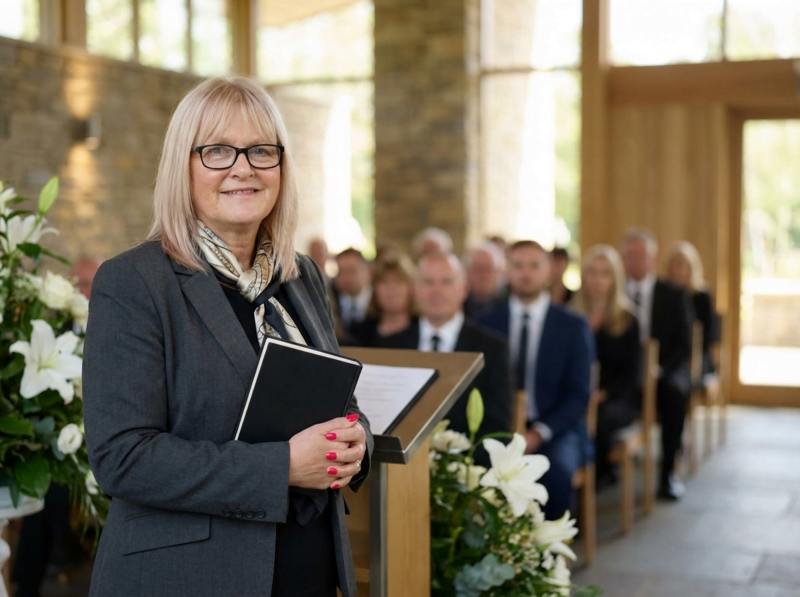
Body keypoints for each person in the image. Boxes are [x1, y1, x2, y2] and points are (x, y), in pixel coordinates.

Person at [82, 76, 372, 597]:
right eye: (217, 151)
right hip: (190, 574)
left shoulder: (300, 274)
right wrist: (283, 466)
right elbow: (123, 457)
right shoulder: (135, 281)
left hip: (307, 564)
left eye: (261, 151)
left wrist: (357, 441)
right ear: (183, 166)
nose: (243, 168)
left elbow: (337, 400)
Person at [478, 241, 594, 521]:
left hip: (555, 429)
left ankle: (547, 546)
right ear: (507, 271)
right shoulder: (485, 323)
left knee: (557, 472)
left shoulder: (573, 326)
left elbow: (579, 394)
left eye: (534, 266)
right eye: (518, 266)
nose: (526, 274)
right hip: (499, 426)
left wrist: (540, 432)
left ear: (549, 271)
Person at [377, 252, 512, 465]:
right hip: (401, 469)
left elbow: (498, 428)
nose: (436, 291)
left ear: (464, 289)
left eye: (446, 282)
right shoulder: (389, 346)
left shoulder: (492, 349)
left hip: (465, 469)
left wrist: (457, 469)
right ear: (415, 289)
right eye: (428, 282)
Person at [621, 228, 693, 501]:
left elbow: (683, 345)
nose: (636, 261)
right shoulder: (615, 291)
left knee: (675, 394)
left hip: (664, 369)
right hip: (624, 373)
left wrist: (658, 369)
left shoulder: (673, 294)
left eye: (642, 255)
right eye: (630, 255)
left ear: (654, 258)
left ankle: (667, 475)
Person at [570, 245, 641, 487]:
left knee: (600, 419)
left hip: (616, 397)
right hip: (578, 392)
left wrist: (603, 393)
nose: (597, 279)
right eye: (592, 272)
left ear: (615, 278)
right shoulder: (569, 316)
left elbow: (631, 375)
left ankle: (595, 478)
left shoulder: (629, 319)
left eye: (605, 273)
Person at [665, 241, 719, 380]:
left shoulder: (702, 296)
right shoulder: (665, 295)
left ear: (692, 267)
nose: (677, 270)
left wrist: (693, 356)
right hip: (672, 355)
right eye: (674, 264)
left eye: (682, 265)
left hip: (698, 355)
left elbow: (709, 335)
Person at [349, 253, 416, 347]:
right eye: (385, 282)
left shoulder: (425, 333)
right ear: (374, 289)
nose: (392, 288)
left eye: (398, 281)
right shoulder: (358, 334)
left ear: (411, 288)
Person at [463, 241, 507, 319]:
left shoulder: (511, 307)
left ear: (500, 272)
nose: (483, 275)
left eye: (488, 268)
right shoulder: (457, 305)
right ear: (467, 272)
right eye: (477, 268)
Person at [333, 247, 372, 334]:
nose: (347, 278)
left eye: (352, 270)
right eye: (341, 271)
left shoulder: (379, 302)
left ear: (367, 271)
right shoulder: (331, 301)